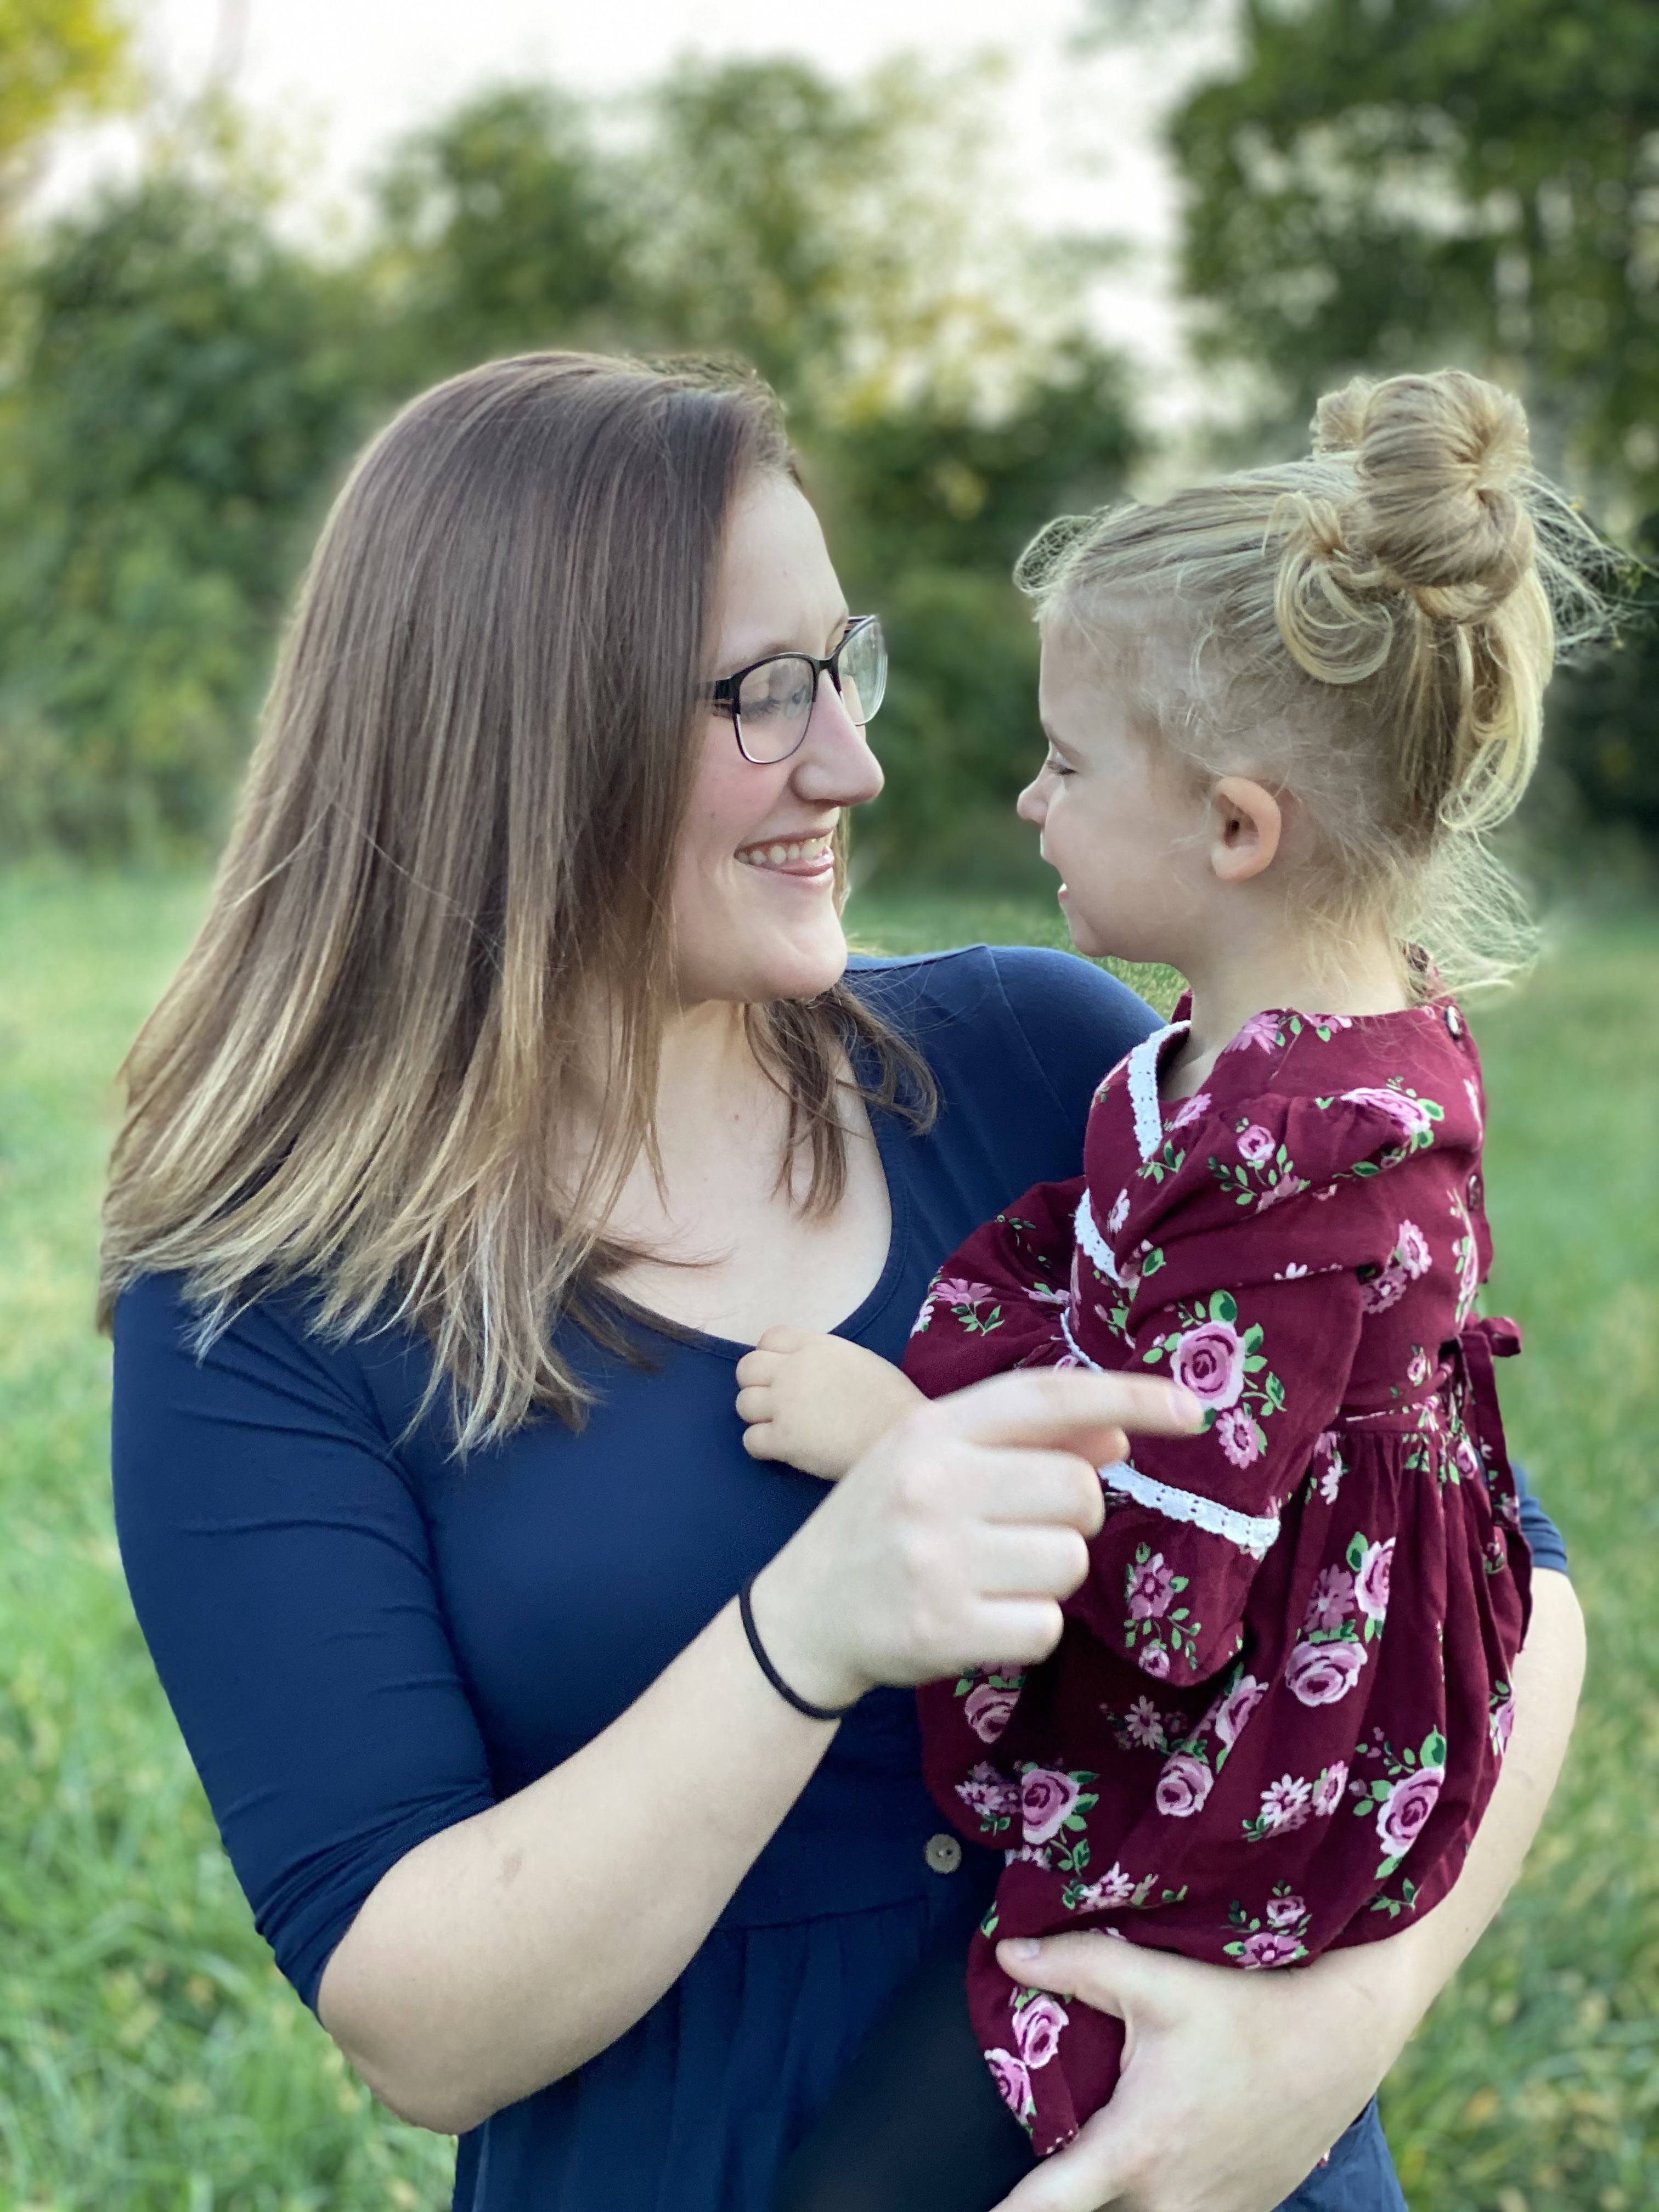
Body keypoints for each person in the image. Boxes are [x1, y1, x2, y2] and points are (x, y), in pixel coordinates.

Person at [104, 352, 1585, 2212]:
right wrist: (810, 1630)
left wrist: (1334, 2031)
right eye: (763, 695)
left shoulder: (1063, 1066)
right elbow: (418, 2023)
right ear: (516, 732)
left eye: (843, 664)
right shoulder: (256, 1307)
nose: (855, 763)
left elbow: (1496, 1584)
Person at [738, 369, 1601, 2209]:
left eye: (1066, 763)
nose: (1023, 796)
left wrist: (901, 1436)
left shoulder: (1320, 1162)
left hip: (1250, 1776)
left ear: (1234, 831)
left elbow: (1172, 1593)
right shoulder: (1255, 1059)